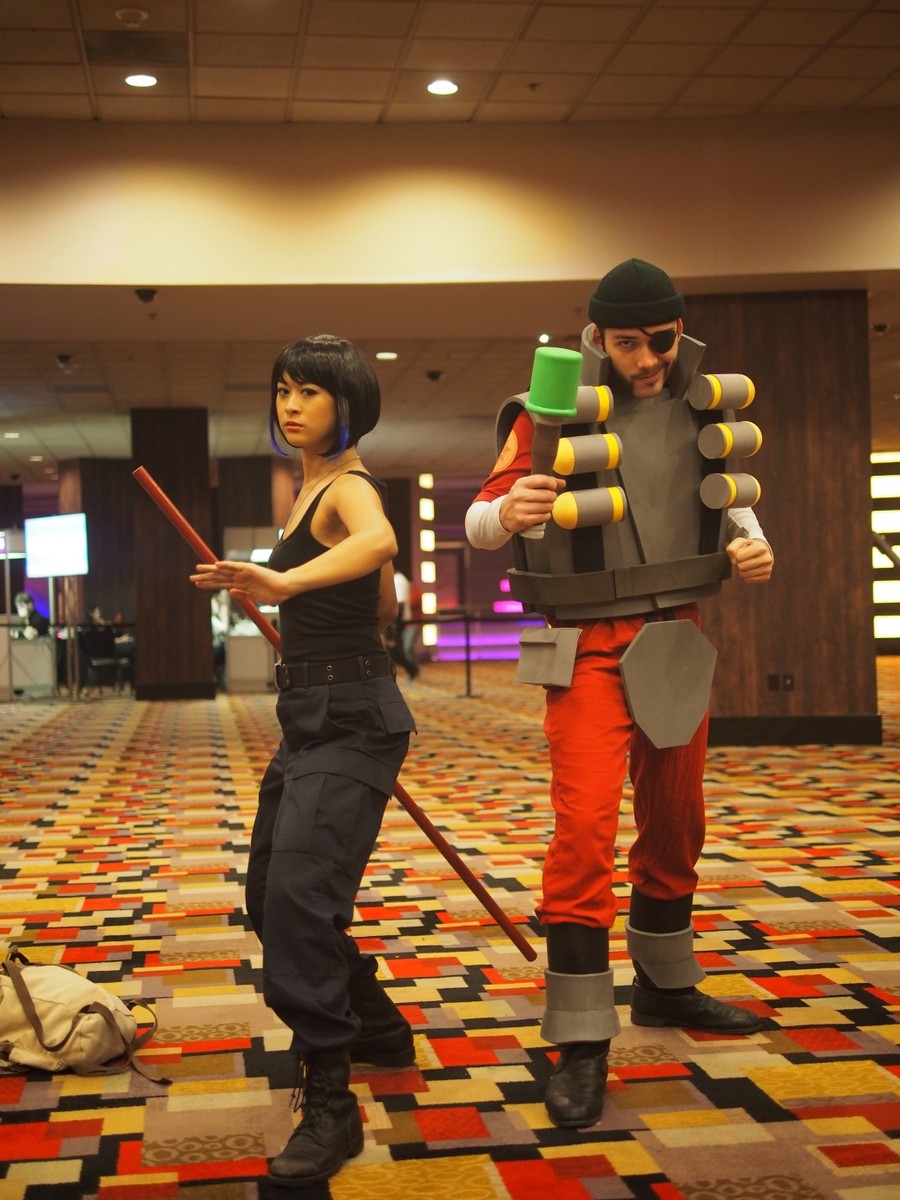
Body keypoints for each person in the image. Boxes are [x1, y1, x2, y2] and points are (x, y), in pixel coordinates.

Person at [465, 259, 774, 1130]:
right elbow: (480, 520)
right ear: (596, 337)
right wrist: (511, 511)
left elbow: (728, 505)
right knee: (586, 829)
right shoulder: (546, 413)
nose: (644, 360)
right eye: (626, 343)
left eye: (659, 342)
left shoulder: (704, 402)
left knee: (677, 818)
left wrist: (754, 546)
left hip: (676, 634)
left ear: (680, 331)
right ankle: (580, 1036)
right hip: (586, 645)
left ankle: (667, 987)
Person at [190, 334, 417, 1188]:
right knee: (268, 894)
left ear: (346, 406)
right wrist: (321, 606)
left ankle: (331, 1096)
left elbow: (380, 541)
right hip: (312, 716)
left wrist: (284, 585)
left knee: (295, 901)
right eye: (284, 389)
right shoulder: (306, 489)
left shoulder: (350, 485)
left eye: (310, 393)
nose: (291, 405)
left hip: (353, 718)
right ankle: (378, 1025)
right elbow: (381, 601)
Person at [389, 569, 420, 679]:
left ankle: (414, 669)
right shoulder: (405, 588)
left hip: (413, 623)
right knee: (403, 648)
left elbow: (410, 603)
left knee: (406, 648)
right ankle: (413, 669)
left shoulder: (413, 591)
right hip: (407, 623)